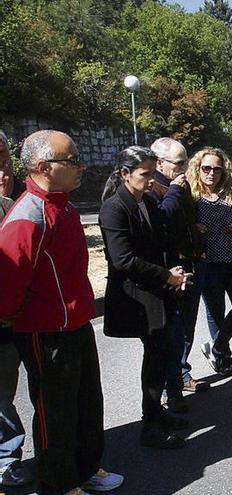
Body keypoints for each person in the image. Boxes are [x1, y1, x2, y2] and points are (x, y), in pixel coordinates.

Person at [0, 130, 123, 495]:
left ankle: (86, 469)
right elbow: (8, 284)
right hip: (46, 331)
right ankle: (59, 484)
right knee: (56, 413)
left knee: (87, 403)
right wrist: (20, 317)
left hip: (77, 324)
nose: (80, 166)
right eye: (71, 161)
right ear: (43, 167)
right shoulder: (27, 216)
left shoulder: (64, 205)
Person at [99, 146, 191, 449]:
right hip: (136, 298)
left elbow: (159, 240)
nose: (152, 180)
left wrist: (171, 267)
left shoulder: (146, 201)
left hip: (156, 292)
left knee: (161, 355)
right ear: (125, 174)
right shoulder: (114, 208)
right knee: (154, 360)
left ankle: (156, 414)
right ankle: (150, 427)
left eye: (154, 173)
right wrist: (166, 276)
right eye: (145, 174)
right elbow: (124, 259)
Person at [147, 137, 208, 414]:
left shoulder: (179, 185)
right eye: (179, 163)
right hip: (170, 273)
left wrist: (195, 232)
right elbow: (162, 220)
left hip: (190, 264)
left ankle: (180, 379)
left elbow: (184, 218)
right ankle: (167, 392)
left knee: (186, 329)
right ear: (160, 162)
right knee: (169, 336)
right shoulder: (154, 186)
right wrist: (173, 190)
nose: (185, 168)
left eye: (186, 161)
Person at [187, 147, 232, 376]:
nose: (211, 173)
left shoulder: (231, 193)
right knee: (215, 311)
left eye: (217, 169)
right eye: (206, 168)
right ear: (198, 168)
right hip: (208, 264)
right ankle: (222, 355)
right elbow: (180, 224)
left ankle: (217, 345)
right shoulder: (190, 195)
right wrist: (193, 228)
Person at [0, 129, 33, 489]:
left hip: (15, 322)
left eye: (6, 162)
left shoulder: (16, 205)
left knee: (4, 395)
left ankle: (8, 458)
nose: (3, 172)